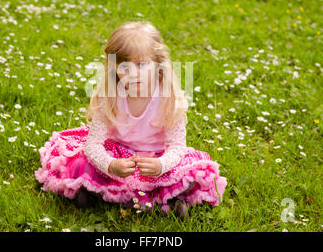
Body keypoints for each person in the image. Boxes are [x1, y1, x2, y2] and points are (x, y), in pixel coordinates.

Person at [35, 21, 227, 220]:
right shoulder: (110, 97)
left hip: (156, 158)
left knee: (188, 172)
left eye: (142, 64)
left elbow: (177, 147)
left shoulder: (169, 99)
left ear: (158, 65)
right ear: (114, 67)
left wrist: (161, 165)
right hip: (118, 154)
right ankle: (95, 191)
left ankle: (172, 200)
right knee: (81, 162)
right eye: (124, 66)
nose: (133, 73)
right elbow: (93, 145)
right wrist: (111, 165)